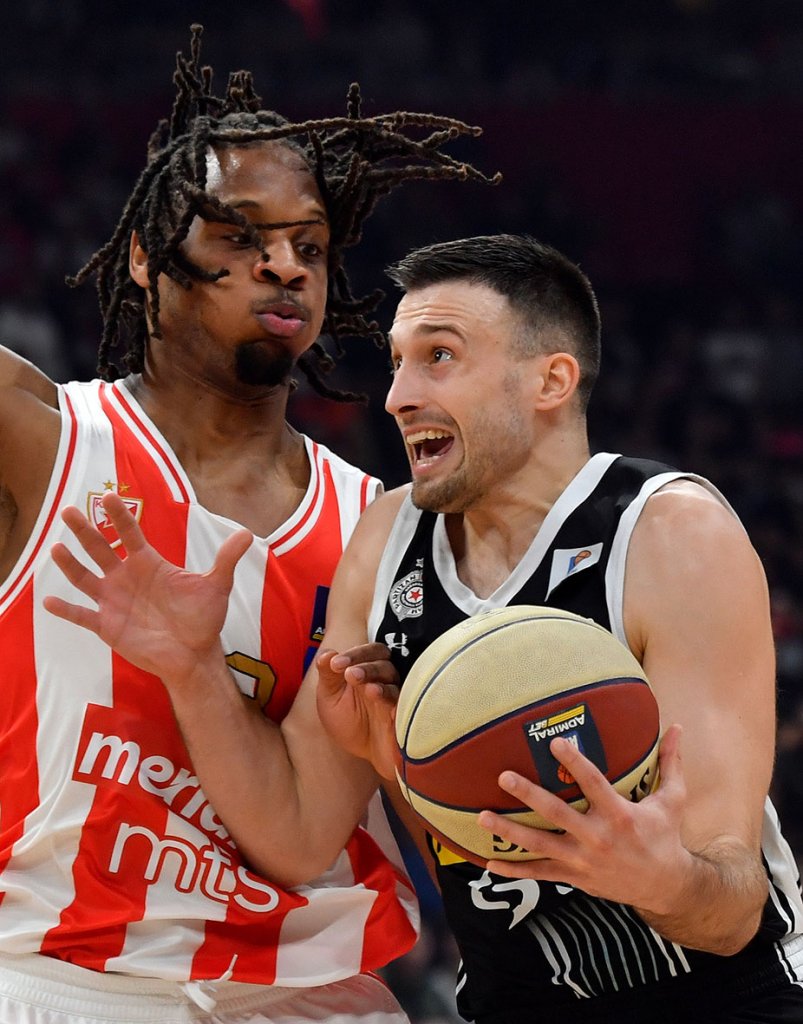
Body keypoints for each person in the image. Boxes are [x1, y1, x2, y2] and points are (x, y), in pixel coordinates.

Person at [48, 234, 803, 1024]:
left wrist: (660, 879)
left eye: (438, 357)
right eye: (397, 362)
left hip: (724, 1001)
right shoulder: (384, 541)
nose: (396, 396)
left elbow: (730, 913)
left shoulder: (670, 535)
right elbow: (297, 838)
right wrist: (194, 669)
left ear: (550, 381)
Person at [0, 23, 499, 1024]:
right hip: (62, 977)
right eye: (239, 237)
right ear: (144, 258)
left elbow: (378, 830)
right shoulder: (38, 439)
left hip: (319, 994)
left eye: (308, 246)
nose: (283, 267)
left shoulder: (382, 528)